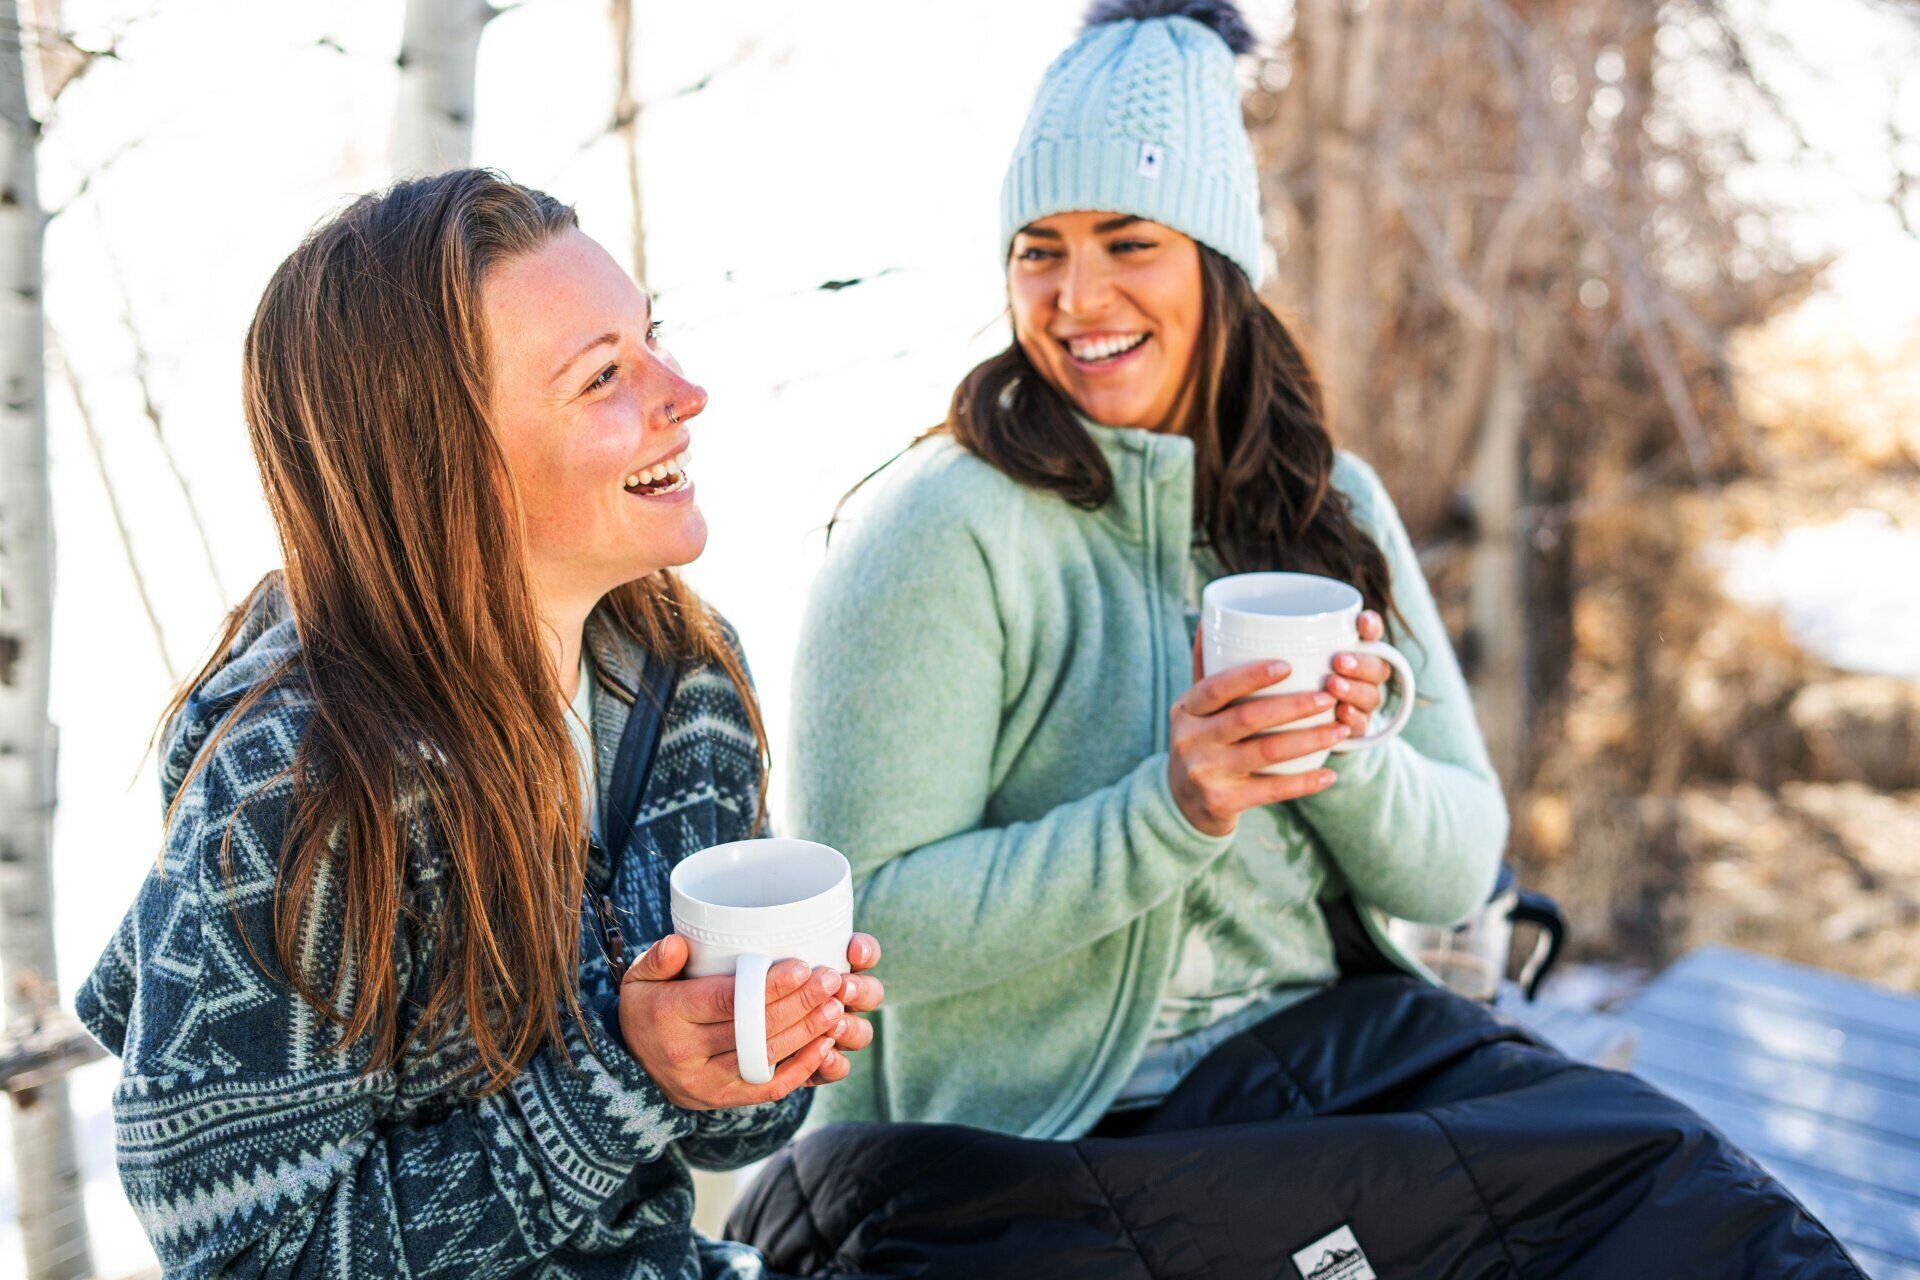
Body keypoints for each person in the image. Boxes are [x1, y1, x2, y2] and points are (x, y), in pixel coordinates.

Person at [76, 169, 882, 1279]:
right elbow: (248, 1259)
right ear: (446, 461)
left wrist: (764, 1038)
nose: (685, 393)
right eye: (604, 376)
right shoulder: (295, 787)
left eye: (652, 339)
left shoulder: (685, 680)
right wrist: (623, 1077)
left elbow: (727, 1135)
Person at [790, 0, 1504, 1139]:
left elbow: (1457, 868)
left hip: (1335, 1072)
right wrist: (1171, 808)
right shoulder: (942, 530)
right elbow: (865, 925)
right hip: (1055, 1137)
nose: (1076, 298)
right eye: (1040, 251)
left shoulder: (1330, 507)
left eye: (1128, 243)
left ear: (1219, 265)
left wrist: (1344, 748)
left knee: (1674, 1182)